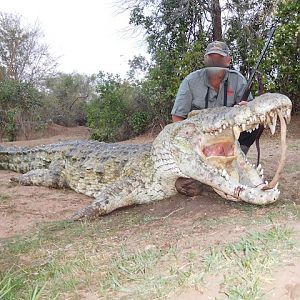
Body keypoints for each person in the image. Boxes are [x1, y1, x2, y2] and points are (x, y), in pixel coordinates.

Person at [171, 40, 259, 154]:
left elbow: (249, 109)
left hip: (227, 131)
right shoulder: (190, 81)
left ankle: (237, 156)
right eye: (212, 59)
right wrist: (189, 139)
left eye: (220, 59)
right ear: (205, 60)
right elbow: (177, 116)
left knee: (255, 125)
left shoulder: (237, 79)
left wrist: (247, 108)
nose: (215, 63)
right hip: (200, 134)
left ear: (228, 60)